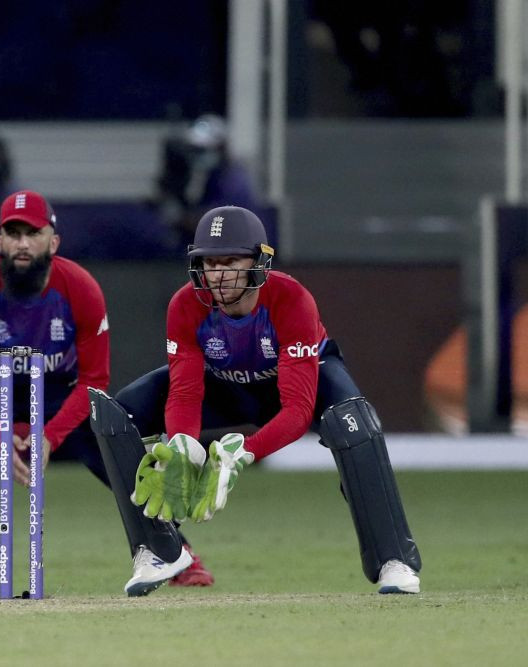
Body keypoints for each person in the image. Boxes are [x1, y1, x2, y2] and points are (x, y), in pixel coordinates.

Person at [0, 189, 214, 595]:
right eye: (13, 233)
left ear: (53, 241)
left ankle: (174, 553)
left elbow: (94, 379)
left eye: (33, 233)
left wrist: (51, 435)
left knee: (118, 448)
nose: (23, 243)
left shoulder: (80, 289)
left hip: (59, 393)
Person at [89, 205, 422, 594]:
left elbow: (297, 411)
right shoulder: (185, 304)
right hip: (223, 386)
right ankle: (161, 548)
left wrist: (242, 452)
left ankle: (394, 561)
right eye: (209, 263)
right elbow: (184, 390)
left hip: (298, 383)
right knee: (116, 416)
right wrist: (183, 442)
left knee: (354, 423)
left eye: (230, 260)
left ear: (259, 263)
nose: (218, 274)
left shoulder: (291, 298)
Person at [155, 115, 259, 250]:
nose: (197, 155)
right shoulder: (214, 176)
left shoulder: (233, 181)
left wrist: (178, 217)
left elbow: (215, 225)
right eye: (194, 149)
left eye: (202, 150)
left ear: (221, 148)